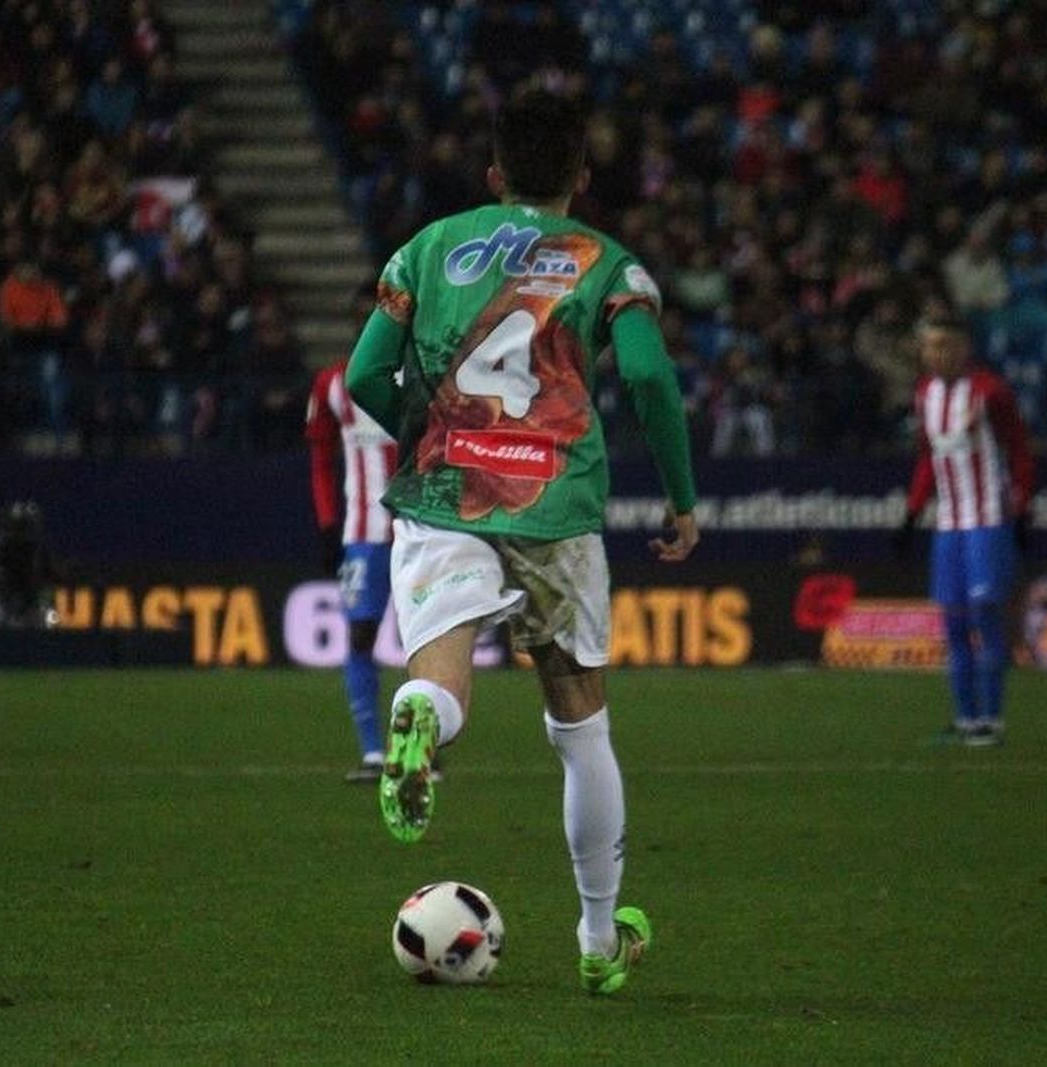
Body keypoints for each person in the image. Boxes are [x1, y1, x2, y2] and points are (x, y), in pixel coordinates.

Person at [345, 88, 699, 995]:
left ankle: (425, 720)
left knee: (439, 673)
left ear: (494, 175)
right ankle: (594, 937)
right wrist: (681, 497)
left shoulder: (426, 247)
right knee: (581, 724)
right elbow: (653, 379)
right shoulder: (608, 263)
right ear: (581, 176)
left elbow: (362, 374)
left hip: (443, 489)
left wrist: (425, 431)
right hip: (553, 502)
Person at [895, 315, 1034, 746]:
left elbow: (1020, 449)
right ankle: (966, 719)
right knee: (952, 623)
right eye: (932, 347)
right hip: (949, 524)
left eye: (948, 346)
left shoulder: (989, 391)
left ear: (965, 349)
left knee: (986, 617)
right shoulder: (924, 394)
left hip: (987, 519)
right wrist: (912, 513)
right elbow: (927, 458)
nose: (939, 355)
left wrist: (1023, 505)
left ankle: (992, 721)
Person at [306, 282, 398, 783]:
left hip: (419, 531)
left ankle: (419, 753)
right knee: (361, 634)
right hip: (363, 533)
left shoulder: (420, 377)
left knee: (429, 639)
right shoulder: (331, 385)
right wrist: (326, 524)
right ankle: (372, 753)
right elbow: (320, 458)